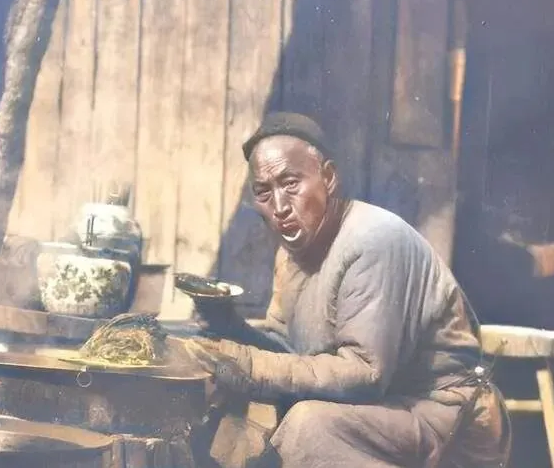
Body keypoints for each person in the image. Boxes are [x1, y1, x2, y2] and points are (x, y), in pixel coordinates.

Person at [185, 112, 510, 468]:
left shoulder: (373, 239)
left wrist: (250, 363)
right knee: (237, 405)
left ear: (328, 178)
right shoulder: (291, 255)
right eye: (264, 192)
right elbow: (290, 350)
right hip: (382, 413)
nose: (278, 207)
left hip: (444, 419)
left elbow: (365, 375)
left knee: (309, 426)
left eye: (291, 184)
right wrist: (232, 328)